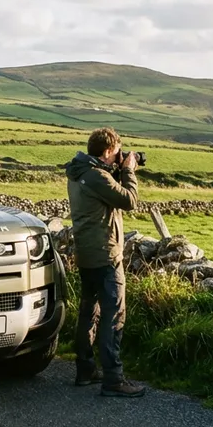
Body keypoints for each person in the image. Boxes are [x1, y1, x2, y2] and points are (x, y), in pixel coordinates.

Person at [64, 127, 146, 398]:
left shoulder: (79, 172)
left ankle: (85, 369)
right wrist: (129, 170)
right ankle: (114, 378)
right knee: (114, 315)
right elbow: (129, 201)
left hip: (86, 254)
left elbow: (102, 190)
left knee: (90, 312)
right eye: (116, 152)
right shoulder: (97, 176)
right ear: (108, 151)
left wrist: (116, 169)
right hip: (106, 254)